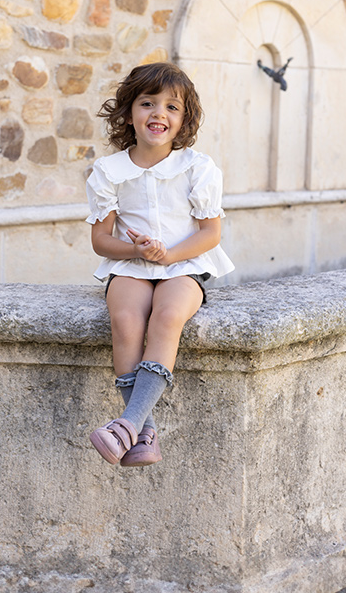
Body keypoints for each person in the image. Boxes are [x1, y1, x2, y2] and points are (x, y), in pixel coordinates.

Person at [85, 62, 234, 467]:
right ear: (128, 112)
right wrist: (136, 251)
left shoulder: (197, 168)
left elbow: (210, 234)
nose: (159, 114)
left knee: (167, 317)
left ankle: (127, 425)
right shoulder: (109, 172)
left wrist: (167, 255)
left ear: (184, 119)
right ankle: (143, 433)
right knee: (126, 321)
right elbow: (100, 240)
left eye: (172, 107)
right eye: (147, 103)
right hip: (131, 265)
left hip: (183, 265)